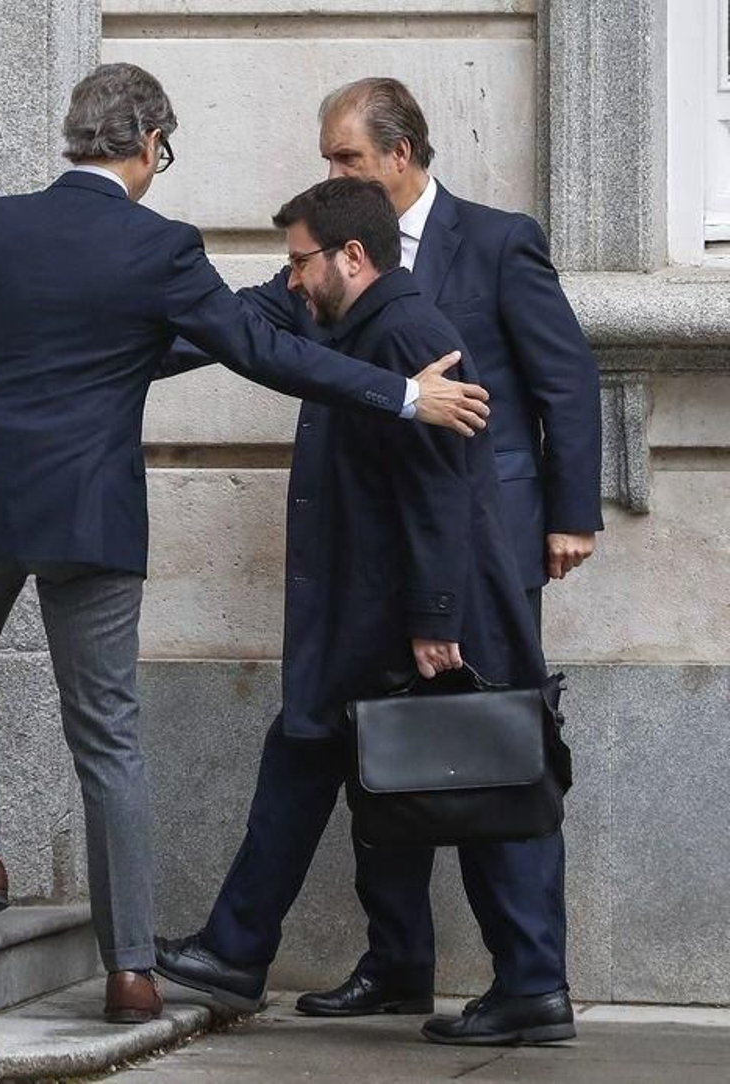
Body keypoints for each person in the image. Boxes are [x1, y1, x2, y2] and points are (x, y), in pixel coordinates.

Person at [0, 62, 491, 1026]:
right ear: (151, 145)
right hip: (92, 520)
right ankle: (133, 971)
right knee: (107, 739)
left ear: (75, 137)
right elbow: (259, 351)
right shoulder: (161, 247)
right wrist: (405, 394)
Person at [170, 76, 602, 1019]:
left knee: (487, 750)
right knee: (363, 745)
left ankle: (533, 980)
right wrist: (116, 325)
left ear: (400, 155)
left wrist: (570, 514)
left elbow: (561, 382)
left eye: (346, 157)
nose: (329, 169)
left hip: (463, 555)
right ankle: (391, 959)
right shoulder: (323, 271)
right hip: (373, 560)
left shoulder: (491, 245)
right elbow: (250, 324)